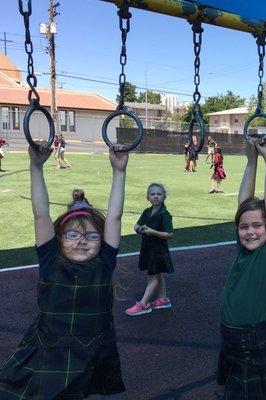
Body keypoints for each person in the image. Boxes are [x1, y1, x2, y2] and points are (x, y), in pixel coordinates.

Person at [0, 142, 128, 398]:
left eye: (92, 236)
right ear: (58, 239)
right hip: (51, 351)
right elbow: (40, 214)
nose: (82, 241)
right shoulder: (50, 259)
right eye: (72, 234)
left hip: (90, 349)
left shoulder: (103, 262)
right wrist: (36, 166)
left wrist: (119, 172)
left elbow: (114, 217)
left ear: (102, 241)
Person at [217, 137, 266, 399]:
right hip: (231, 335)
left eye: (257, 226)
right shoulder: (243, 248)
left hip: (251, 338)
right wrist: (251, 161)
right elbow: (243, 201)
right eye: (244, 226)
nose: (250, 232)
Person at [126, 183, 174, 316]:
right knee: (158, 275)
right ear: (147, 197)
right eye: (152, 194)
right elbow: (136, 226)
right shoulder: (147, 212)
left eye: (159, 194)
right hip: (148, 249)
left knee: (152, 278)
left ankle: (143, 304)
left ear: (164, 197)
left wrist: (153, 231)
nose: (156, 197)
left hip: (158, 251)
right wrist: (139, 229)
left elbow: (169, 234)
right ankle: (163, 300)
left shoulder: (165, 214)